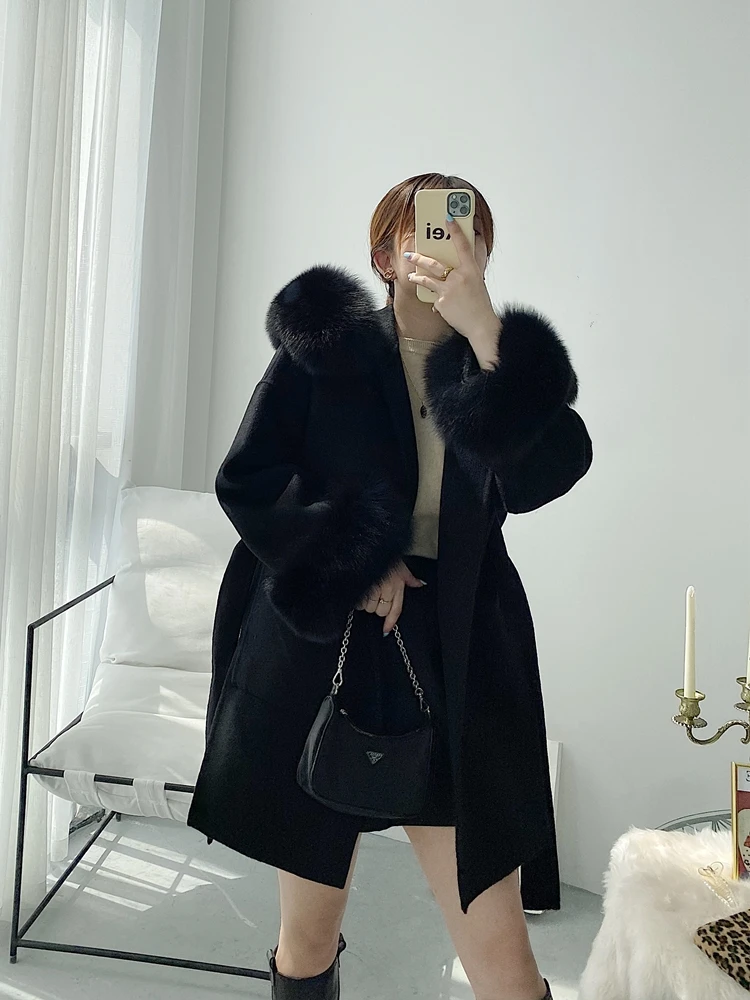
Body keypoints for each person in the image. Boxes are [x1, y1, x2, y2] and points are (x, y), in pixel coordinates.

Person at [186, 172, 593, 1000]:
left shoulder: (495, 370)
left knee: (504, 961)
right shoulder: (323, 351)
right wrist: (358, 560)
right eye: (428, 233)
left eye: (467, 235)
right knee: (307, 941)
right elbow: (247, 481)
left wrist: (489, 335)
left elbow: (553, 470)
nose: (450, 248)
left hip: (455, 655)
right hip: (326, 654)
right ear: (385, 256)